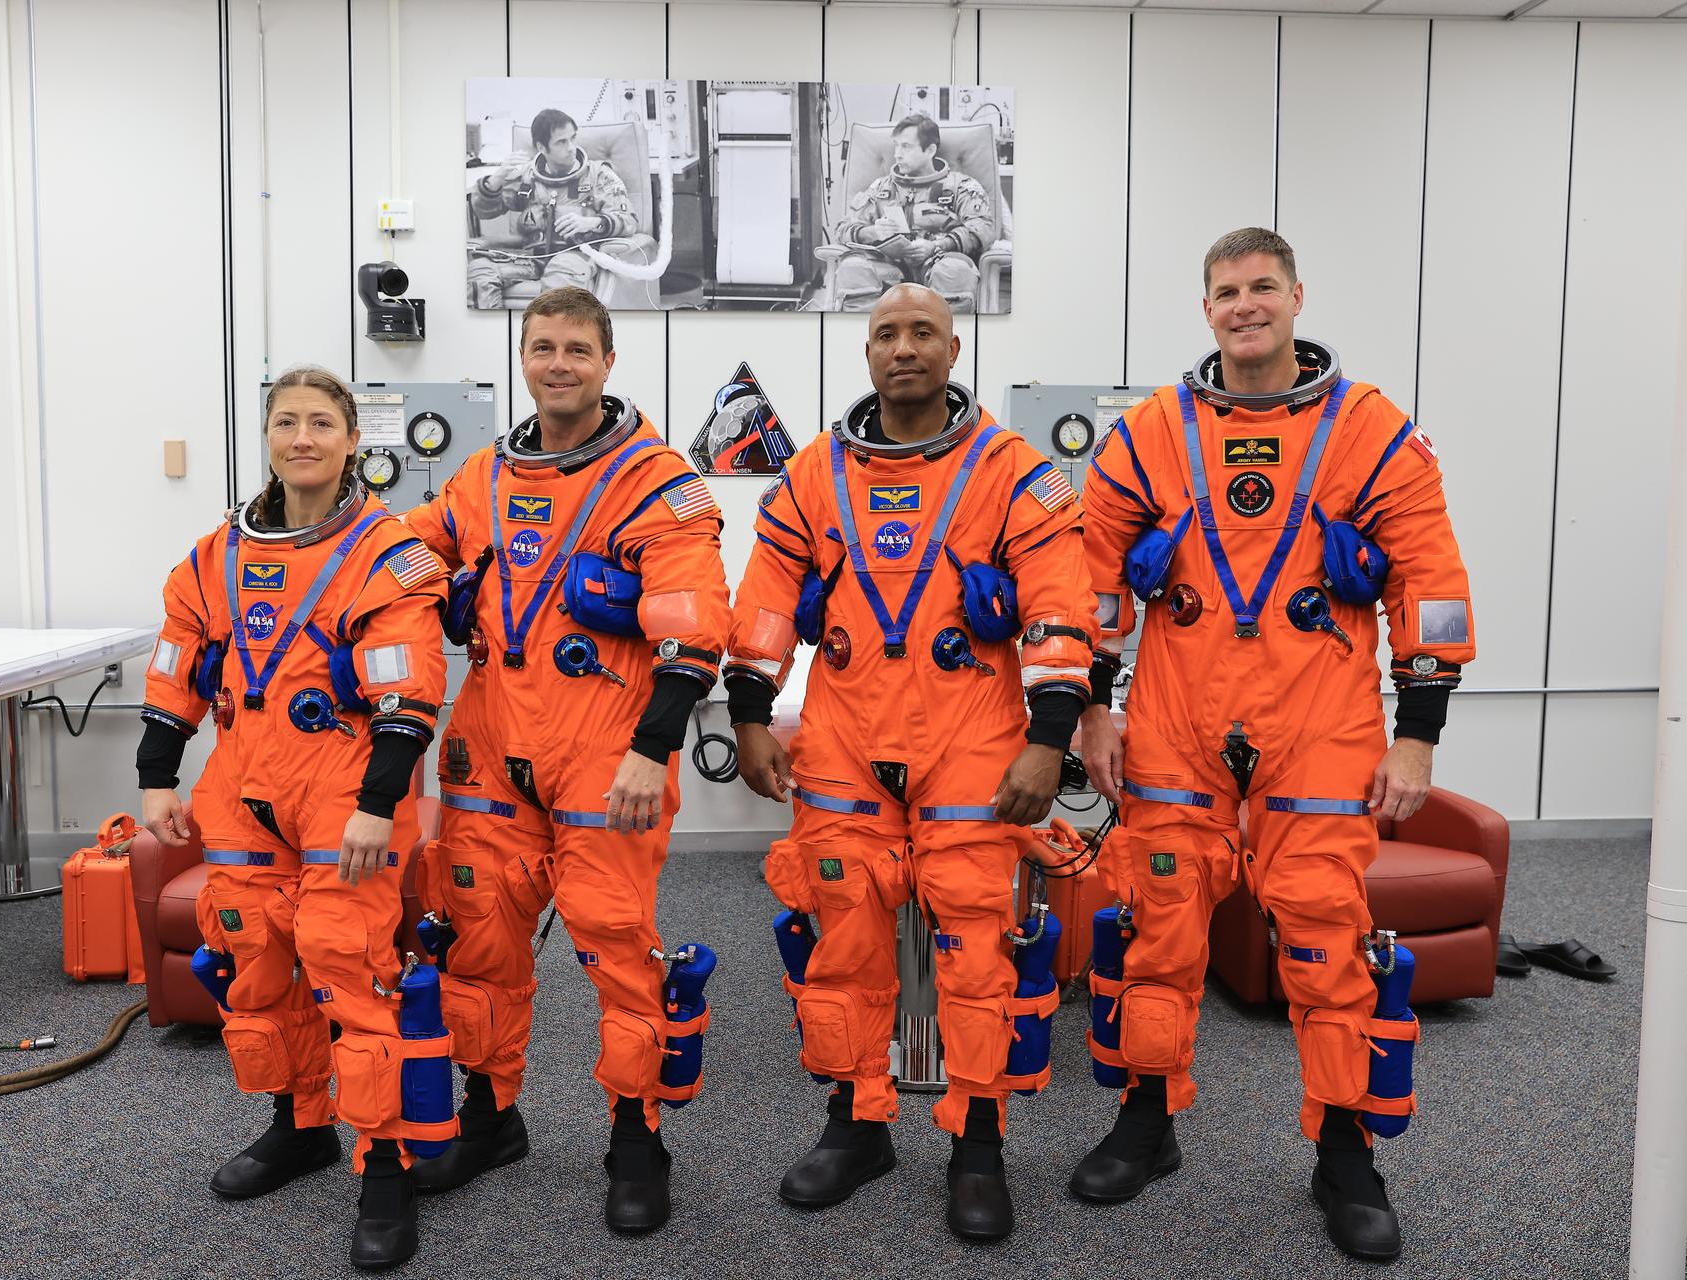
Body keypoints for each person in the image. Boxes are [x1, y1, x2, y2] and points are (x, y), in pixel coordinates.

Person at [1070, 227, 1476, 1264]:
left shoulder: (1372, 430)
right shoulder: (1154, 432)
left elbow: (1428, 584)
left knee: (1327, 943)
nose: (1243, 305)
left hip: (1321, 726)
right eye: (1223, 291)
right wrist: (1092, 708)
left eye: (1260, 287)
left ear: (1296, 295)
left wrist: (1418, 737)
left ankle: (1346, 1153)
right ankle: (1147, 1120)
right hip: (1174, 719)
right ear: (1205, 309)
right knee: (1158, 931)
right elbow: (1090, 583)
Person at [724, 283, 1098, 1242]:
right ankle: (857, 1124)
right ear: (867, 353)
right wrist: (753, 715)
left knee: (975, 948)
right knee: (843, 934)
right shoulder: (814, 472)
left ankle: (978, 1142)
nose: (903, 348)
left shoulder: (1013, 470)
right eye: (886, 333)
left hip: (971, 735)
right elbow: (767, 600)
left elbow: (1059, 605)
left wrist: (1047, 740)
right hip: (847, 736)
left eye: (921, 332)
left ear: (954, 349)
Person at [400, 286, 731, 1234]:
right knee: (477, 944)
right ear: (523, 358)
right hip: (492, 752)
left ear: (608, 362)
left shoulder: (657, 478)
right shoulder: (481, 478)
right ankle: (490, 1115)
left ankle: (636, 1135)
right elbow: (406, 564)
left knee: (619, 950)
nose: (558, 364)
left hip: (606, 754)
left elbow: (693, 622)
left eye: (577, 349)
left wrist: (651, 748)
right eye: (542, 347)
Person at [136, 365, 452, 1271]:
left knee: (352, 969)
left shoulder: (390, 552)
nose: (302, 438)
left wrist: (378, 805)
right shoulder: (210, 557)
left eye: (322, 422)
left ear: (354, 440)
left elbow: (407, 693)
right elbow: (174, 671)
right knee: (256, 965)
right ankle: (300, 1122)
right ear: (266, 437)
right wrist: (158, 776)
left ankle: (384, 1165)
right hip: (241, 787)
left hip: (346, 791)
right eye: (286, 422)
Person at [468, 108, 642, 309]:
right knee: (479, 271)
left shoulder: (598, 175)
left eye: (573, 138)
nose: (571, 148)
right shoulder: (526, 177)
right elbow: (484, 211)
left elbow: (628, 220)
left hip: (576, 258)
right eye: (561, 142)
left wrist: (593, 222)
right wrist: (496, 178)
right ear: (542, 147)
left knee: (559, 279)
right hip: (532, 258)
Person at [828, 113, 995, 312]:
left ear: (930, 150)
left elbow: (983, 228)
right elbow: (843, 229)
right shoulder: (880, 188)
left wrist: (936, 245)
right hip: (888, 271)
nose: (897, 154)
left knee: (954, 271)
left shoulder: (961, 186)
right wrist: (873, 232)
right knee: (853, 267)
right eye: (896, 145)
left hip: (940, 265)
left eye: (906, 146)